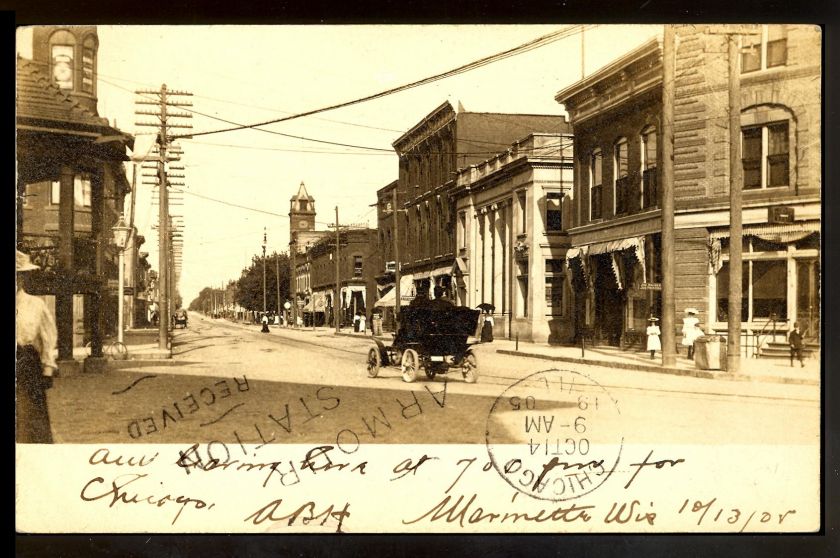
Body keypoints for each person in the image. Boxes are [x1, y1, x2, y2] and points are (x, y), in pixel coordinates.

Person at [16, 250, 57, 443]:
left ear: (22, 278)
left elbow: (47, 338)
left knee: (28, 420)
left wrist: (48, 369)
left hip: (26, 366)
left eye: (18, 276)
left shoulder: (35, 305)